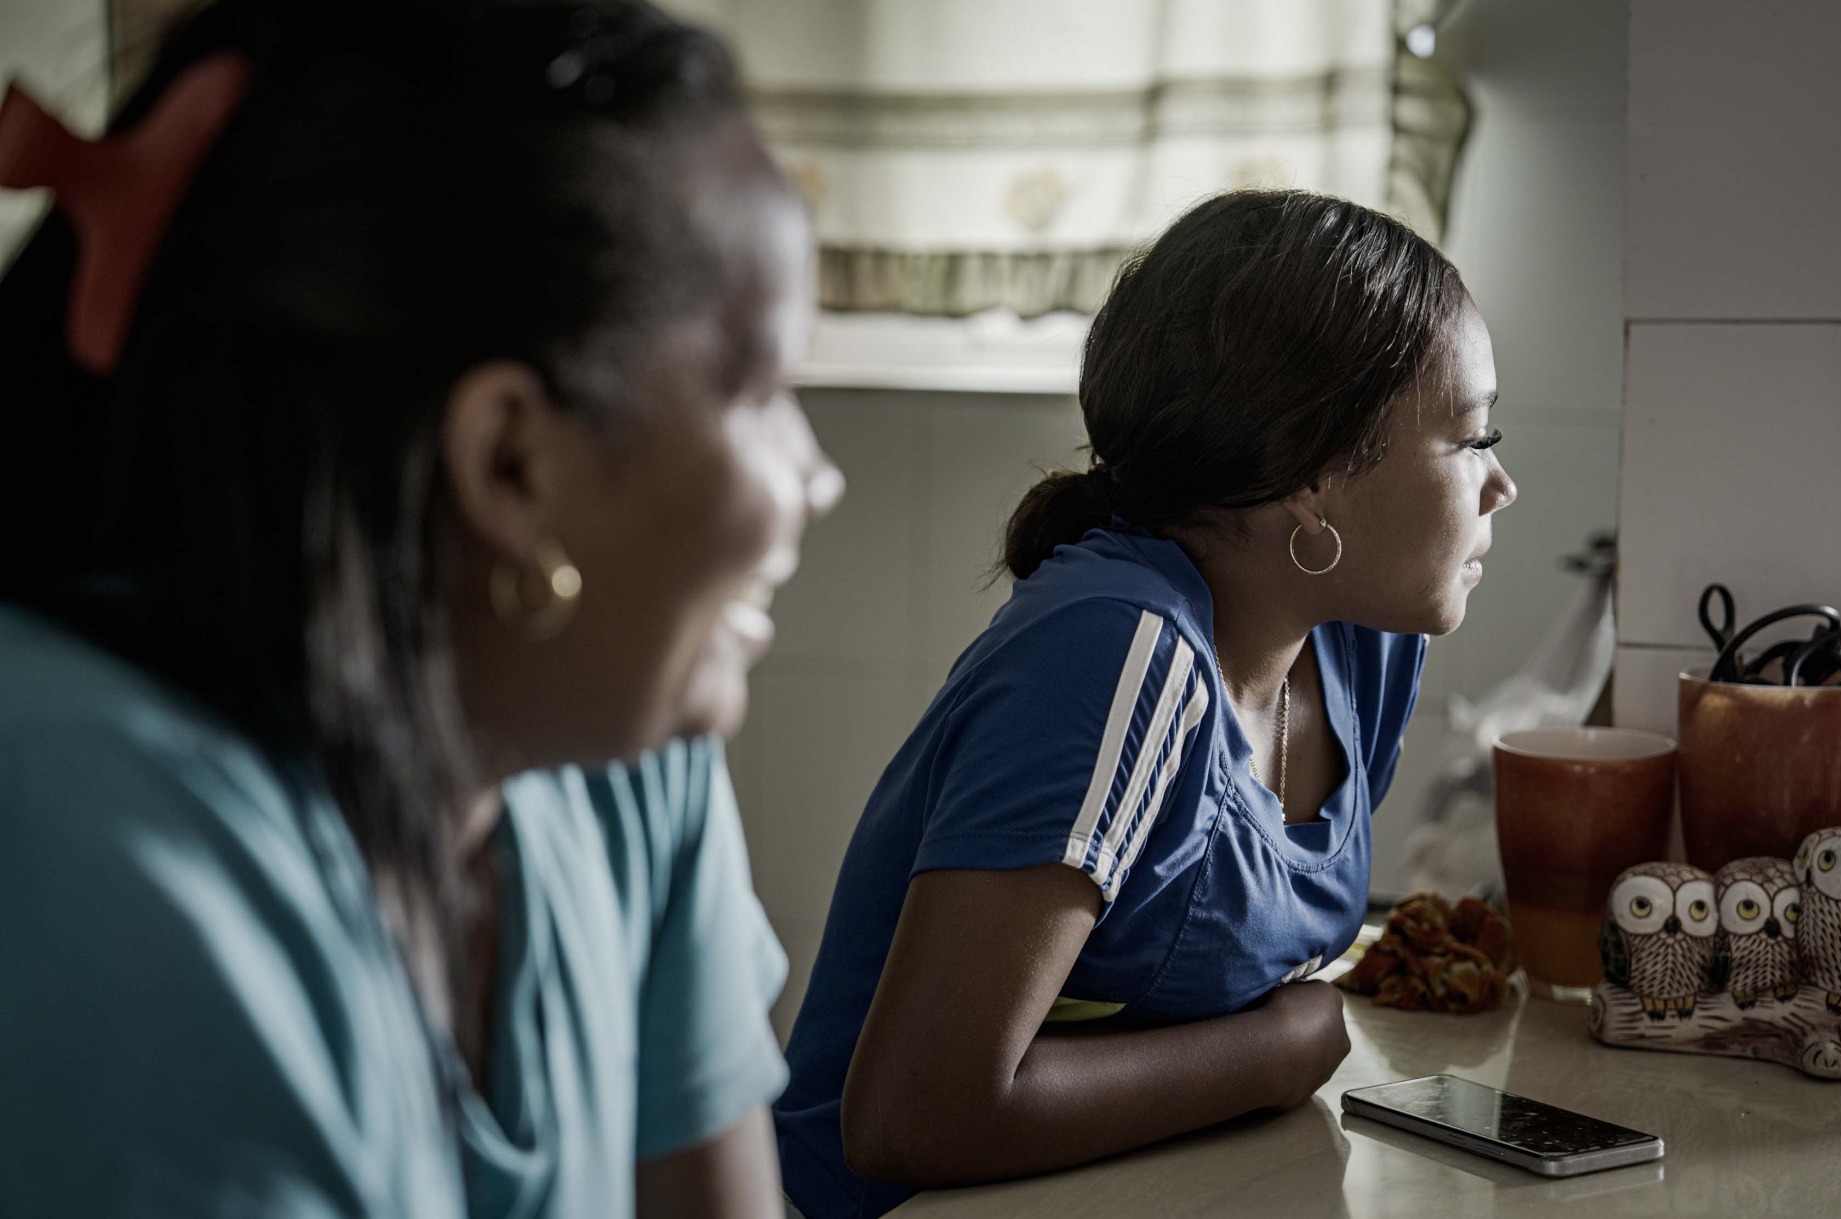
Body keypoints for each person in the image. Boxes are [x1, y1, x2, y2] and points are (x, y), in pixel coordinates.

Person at [0, 1, 841, 1216]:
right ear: (511, 462)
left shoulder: (618, 746)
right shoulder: (107, 872)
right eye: (763, 391)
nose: (819, 477)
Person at [774, 189, 1518, 1218]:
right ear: (1313, 473)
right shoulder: (1119, 652)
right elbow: (916, 1113)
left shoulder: (1363, 642)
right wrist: (1272, 1052)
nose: (1501, 484)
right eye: (1472, 437)